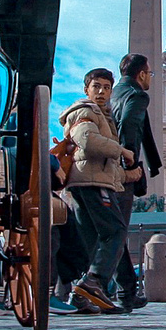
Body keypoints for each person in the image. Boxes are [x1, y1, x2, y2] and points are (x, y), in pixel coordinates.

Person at [61, 69, 135, 315]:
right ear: (86, 89)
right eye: (96, 86)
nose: (102, 92)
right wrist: (121, 150)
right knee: (115, 230)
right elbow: (88, 141)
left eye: (106, 87)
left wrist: (126, 176)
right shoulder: (86, 111)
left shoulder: (103, 114)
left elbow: (99, 163)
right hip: (91, 184)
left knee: (91, 240)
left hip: (87, 181)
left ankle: (81, 297)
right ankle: (94, 281)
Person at [111, 54, 161, 309]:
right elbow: (130, 125)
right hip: (119, 172)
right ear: (141, 74)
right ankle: (87, 283)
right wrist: (129, 160)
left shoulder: (112, 93)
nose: (150, 78)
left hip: (105, 166)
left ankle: (127, 290)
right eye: (150, 73)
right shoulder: (137, 95)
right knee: (115, 232)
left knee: (113, 230)